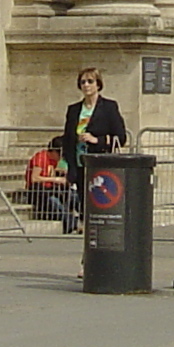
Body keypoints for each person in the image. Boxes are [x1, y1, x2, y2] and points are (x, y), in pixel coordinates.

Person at [59, 66, 126, 235]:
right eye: (83, 82)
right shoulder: (74, 110)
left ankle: (101, 228)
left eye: (90, 81)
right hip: (79, 160)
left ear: (98, 84)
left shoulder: (109, 107)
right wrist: (66, 162)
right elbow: (67, 138)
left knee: (99, 196)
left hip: (100, 161)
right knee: (83, 196)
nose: (86, 85)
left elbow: (121, 136)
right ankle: (87, 226)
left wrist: (96, 140)